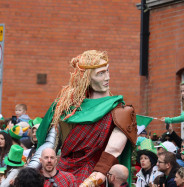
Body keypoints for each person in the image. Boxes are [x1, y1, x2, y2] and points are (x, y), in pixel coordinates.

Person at [37, 50, 137, 186]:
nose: (107, 77)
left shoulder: (119, 111)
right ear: (86, 77)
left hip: (92, 173)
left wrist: (89, 183)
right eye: (100, 74)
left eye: (107, 71)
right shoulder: (66, 107)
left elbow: (112, 151)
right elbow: (50, 143)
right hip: (60, 169)